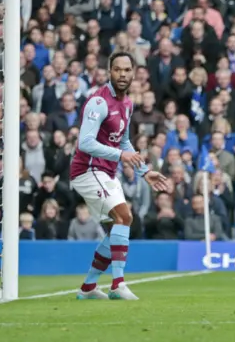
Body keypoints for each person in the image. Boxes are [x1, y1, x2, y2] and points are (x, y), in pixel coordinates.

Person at [70, 52, 169, 300]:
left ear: (133, 72)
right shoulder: (98, 102)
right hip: (87, 169)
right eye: (117, 70)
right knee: (123, 216)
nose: (122, 74)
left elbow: (124, 141)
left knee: (122, 221)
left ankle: (88, 288)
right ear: (109, 71)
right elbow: (85, 142)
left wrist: (144, 171)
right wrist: (120, 156)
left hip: (105, 170)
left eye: (127, 70)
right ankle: (117, 284)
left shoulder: (127, 103)